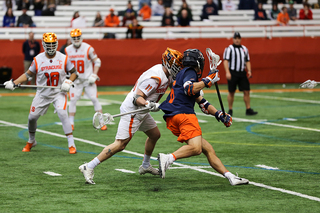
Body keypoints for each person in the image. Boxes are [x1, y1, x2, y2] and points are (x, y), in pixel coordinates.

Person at [78, 48, 184, 184]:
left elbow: (173, 86)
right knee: (120, 144)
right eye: (176, 66)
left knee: (155, 134)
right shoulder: (155, 78)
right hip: (134, 110)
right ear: (168, 63)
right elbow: (137, 98)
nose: (178, 69)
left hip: (142, 111)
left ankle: (145, 166)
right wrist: (149, 104)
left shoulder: (165, 74)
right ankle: (89, 166)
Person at [157, 49, 249, 186]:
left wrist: (219, 114)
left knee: (208, 149)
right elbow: (190, 89)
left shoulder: (182, 74)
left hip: (173, 117)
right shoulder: (190, 72)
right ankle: (168, 158)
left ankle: (230, 177)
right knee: (196, 148)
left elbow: (203, 103)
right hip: (183, 115)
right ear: (198, 62)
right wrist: (208, 80)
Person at [4, 32, 78, 154]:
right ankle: (31, 140)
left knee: (62, 112)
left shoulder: (63, 58)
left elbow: (74, 73)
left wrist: (69, 82)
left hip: (58, 92)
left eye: (53, 44)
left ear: (57, 44)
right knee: (32, 118)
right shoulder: (38, 59)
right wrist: (14, 82)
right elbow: (28, 75)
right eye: (48, 45)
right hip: (42, 94)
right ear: (43, 45)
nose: (50, 47)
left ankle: (71, 143)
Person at [64, 29, 107, 131]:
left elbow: (97, 61)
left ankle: (101, 122)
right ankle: (71, 123)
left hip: (88, 79)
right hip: (76, 80)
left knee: (94, 99)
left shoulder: (88, 48)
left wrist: (94, 74)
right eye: (74, 38)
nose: (76, 39)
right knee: (73, 100)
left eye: (78, 37)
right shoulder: (67, 50)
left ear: (81, 37)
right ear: (71, 39)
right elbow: (65, 65)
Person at [223, 32, 257, 116]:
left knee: (246, 91)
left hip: (242, 73)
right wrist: (227, 72)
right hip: (233, 72)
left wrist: (249, 70)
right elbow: (225, 61)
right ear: (233, 39)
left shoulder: (244, 49)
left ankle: (248, 109)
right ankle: (230, 109)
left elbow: (247, 61)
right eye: (236, 38)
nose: (237, 40)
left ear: (240, 39)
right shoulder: (229, 49)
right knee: (231, 92)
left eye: (238, 38)